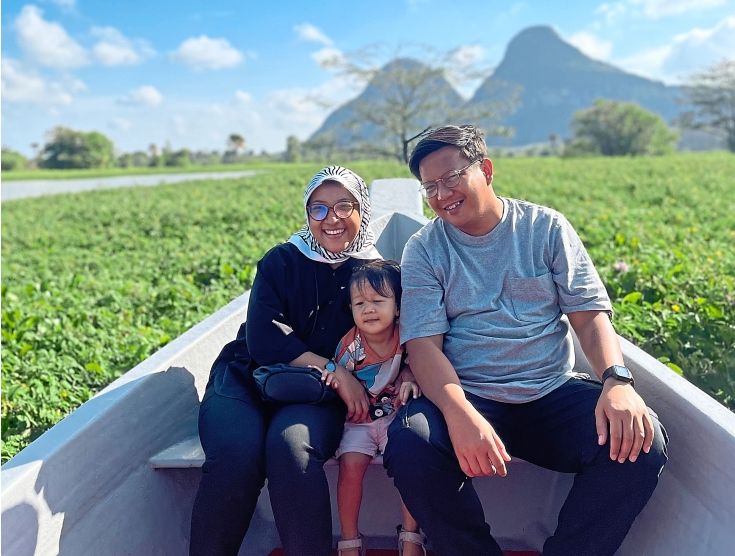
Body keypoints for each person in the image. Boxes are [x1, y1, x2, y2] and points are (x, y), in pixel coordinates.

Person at [383, 125, 669, 556]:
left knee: (641, 445)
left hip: (550, 392)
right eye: (430, 187)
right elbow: (424, 346)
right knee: (411, 444)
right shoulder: (425, 249)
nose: (442, 195)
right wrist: (459, 413)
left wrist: (617, 381)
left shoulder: (545, 228)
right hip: (472, 394)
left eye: (452, 178)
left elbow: (589, 318)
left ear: (487, 170)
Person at [190, 166, 381, 556]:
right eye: (319, 209)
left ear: (362, 209)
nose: (332, 219)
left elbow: (395, 335)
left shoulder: (376, 273)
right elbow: (263, 339)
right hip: (246, 377)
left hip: (312, 394)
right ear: (307, 215)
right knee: (234, 455)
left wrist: (347, 376)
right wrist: (334, 369)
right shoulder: (281, 261)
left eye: (344, 206)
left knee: (291, 450)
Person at [320, 260, 426, 556]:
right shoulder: (350, 347)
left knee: (410, 462)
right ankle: (350, 540)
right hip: (358, 422)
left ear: (398, 307)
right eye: (359, 303)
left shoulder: (407, 337)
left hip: (396, 420)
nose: (368, 309)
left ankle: (410, 535)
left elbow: (422, 361)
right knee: (351, 465)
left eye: (378, 301)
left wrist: (412, 374)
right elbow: (336, 382)